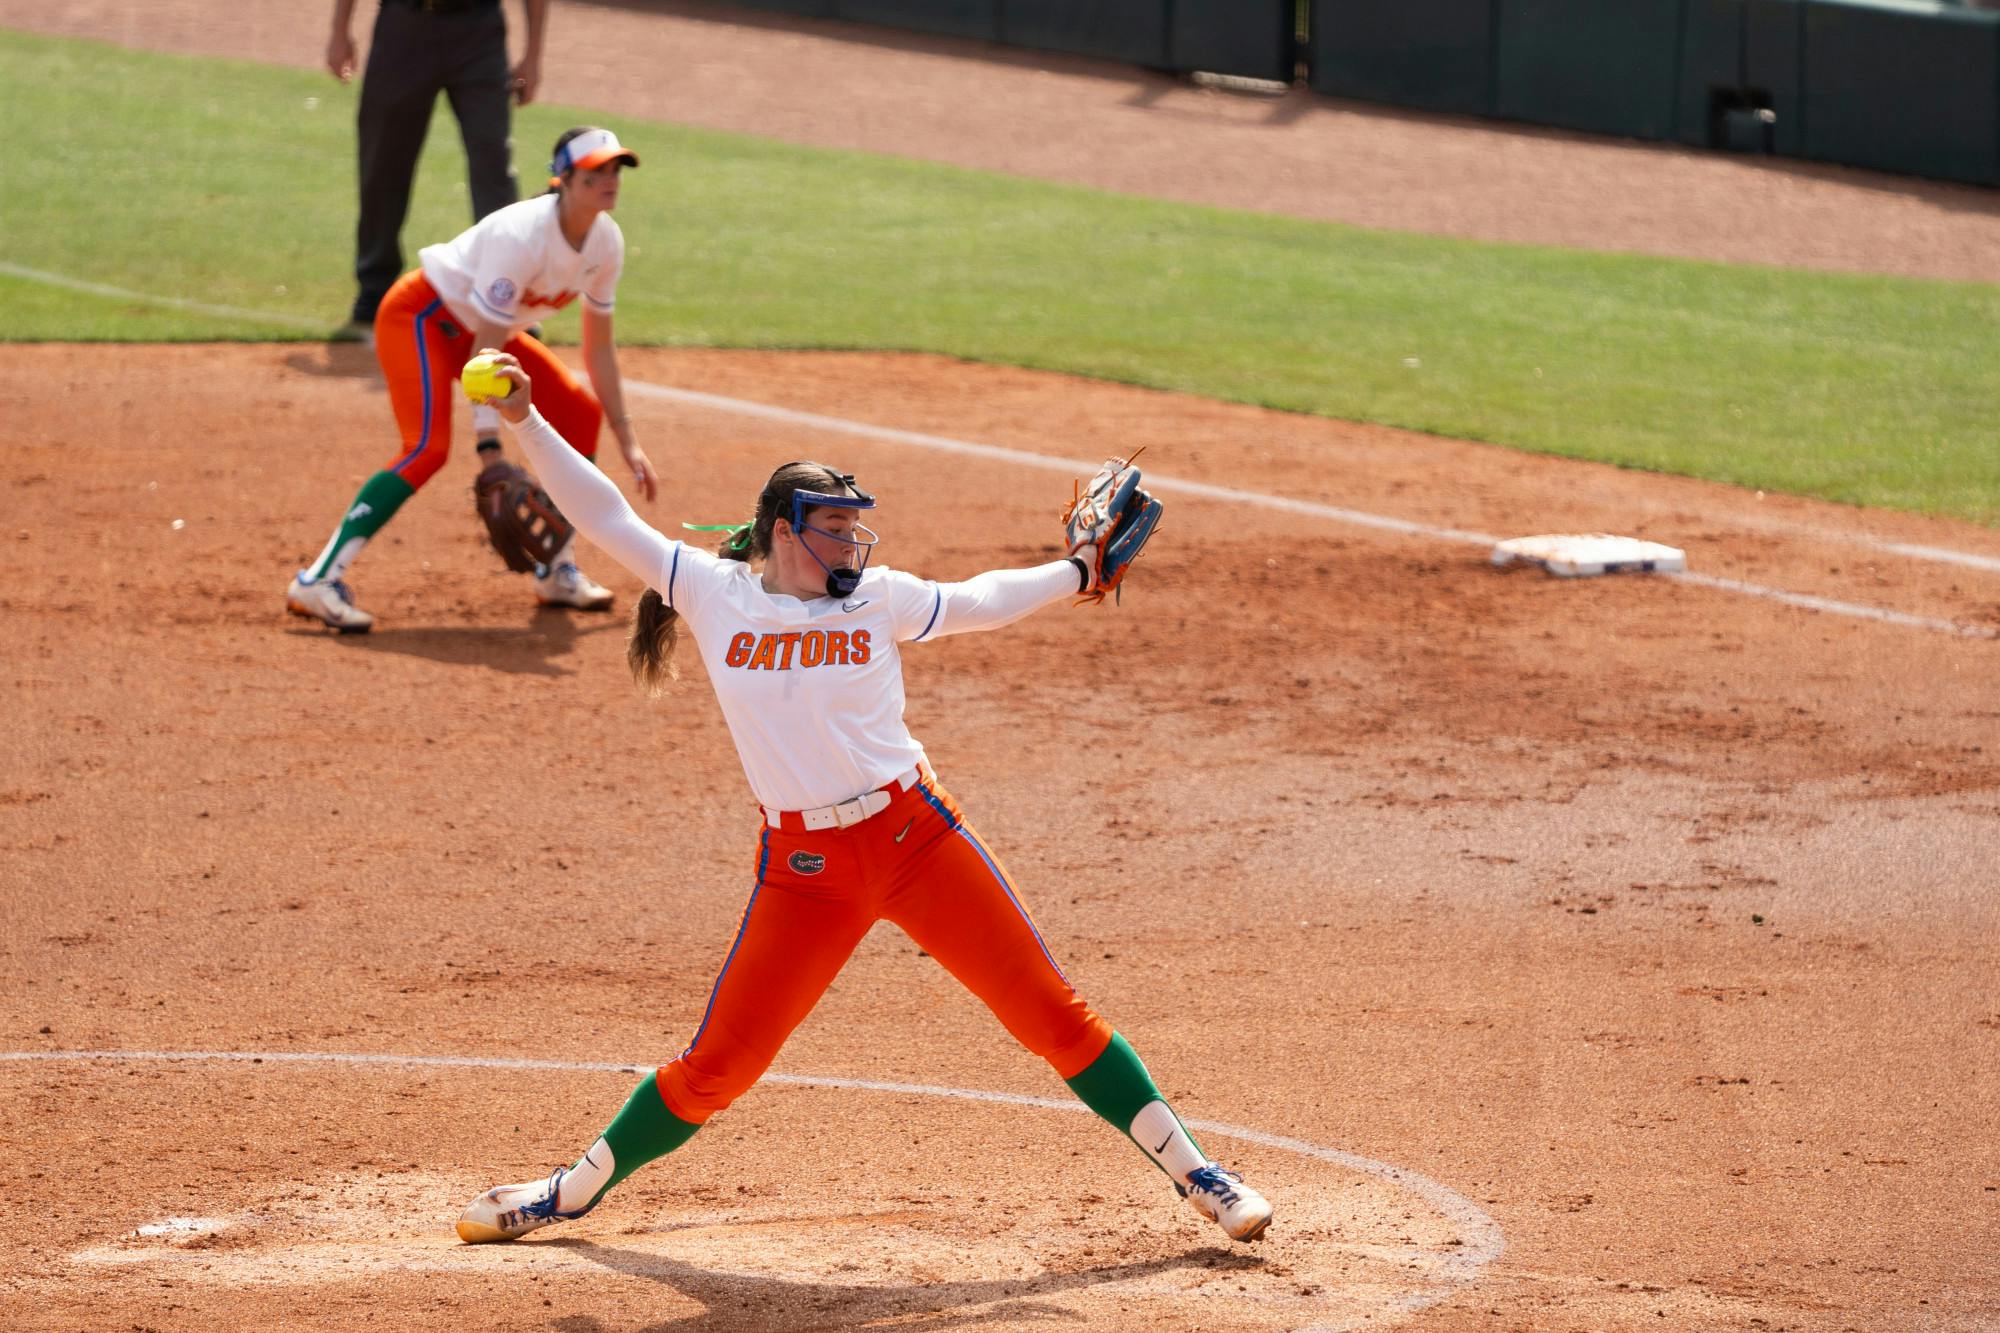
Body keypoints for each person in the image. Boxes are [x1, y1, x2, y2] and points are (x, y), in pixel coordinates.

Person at [449, 351, 1275, 1247]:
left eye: (854, 529)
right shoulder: (712, 592)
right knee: (717, 1067)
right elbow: (603, 510)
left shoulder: (877, 599)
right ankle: (568, 1192)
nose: (852, 544)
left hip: (917, 837)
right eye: (834, 529)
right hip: (805, 873)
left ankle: (1201, 1174)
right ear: (781, 531)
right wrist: (529, 420)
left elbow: (981, 599)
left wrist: (1076, 570)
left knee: (1050, 1011)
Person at [286, 127, 658, 633]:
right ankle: (319, 580)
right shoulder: (521, 236)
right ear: (563, 179)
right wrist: (490, 450)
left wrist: (628, 440)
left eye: (616, 169)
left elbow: (596, 349)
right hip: (422, 318)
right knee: (427, 448)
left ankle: (556, 569)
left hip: (482, 336)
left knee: (579, 412)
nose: (609, 180)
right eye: (596, 171)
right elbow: (486, 354)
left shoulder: (606, 244)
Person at [327, 0, 549, 335]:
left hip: (479, 29)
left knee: (492, 162)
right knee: (383, 160)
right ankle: (375, 287)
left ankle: (505, 293)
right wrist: (339, 31)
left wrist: (533, 56)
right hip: (404, 28)